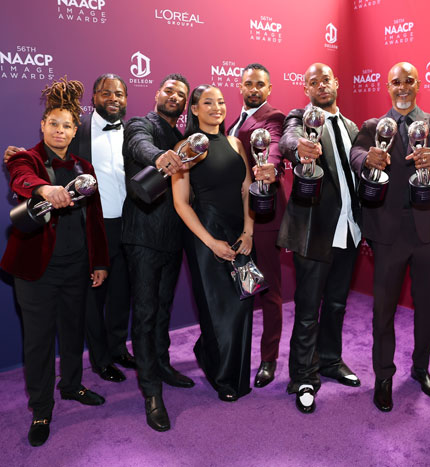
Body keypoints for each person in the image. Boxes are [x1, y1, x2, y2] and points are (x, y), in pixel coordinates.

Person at [5, 73, 134, 384]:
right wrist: (39, 184)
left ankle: (96, 366)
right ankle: (51, 402)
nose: (113, 97)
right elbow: (29, 168)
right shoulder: (50, 145)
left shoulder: (123, 139)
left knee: (98, 312)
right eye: (106, 92)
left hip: (108, 241)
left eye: (119, 93)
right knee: (61, 325)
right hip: (63, 246)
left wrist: (100, 261)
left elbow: (96, 217)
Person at [0, 77, 109, 447]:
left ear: (74, 129)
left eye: (67, 125)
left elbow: (94, 220)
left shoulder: (84, 167)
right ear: (43, 125)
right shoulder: (25, 158)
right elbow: (21, 178)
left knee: (73, 331)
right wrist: (44, 188)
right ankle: (42, 408)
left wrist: (100, 262)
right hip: (36, 272)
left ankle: (73, 386)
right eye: (54, 124)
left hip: (77, 266)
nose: (60, 131)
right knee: (40, 341)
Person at [350, 62, 430, 412]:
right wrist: (370, 159)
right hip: (387, 233)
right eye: (396, 81)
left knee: (426, 305)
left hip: (428, 231)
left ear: (418, 84)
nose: (403, 87)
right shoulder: (371, 126)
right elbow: (356, 153)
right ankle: (383, 376)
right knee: (383, 310)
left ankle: (421, 369)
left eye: (409, 81)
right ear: (387, 85)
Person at [173, 84, 270, 402]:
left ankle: (226, 366)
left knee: (242, 306)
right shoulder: (186, 147)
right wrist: (210, 242)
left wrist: (249, 230)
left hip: (239, 235)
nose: (216, 107)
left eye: (221, 102)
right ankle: (223, 378)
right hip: (205, 238)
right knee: (217, 312)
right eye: (207, 102)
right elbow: (181, 203)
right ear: (195, 110)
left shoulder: (234, 143)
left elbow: (247, 189)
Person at [278, 63, 362, 414]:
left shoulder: (352, 126)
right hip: (313, 231)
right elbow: (287, 139)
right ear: (306, 90)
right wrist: (299, 147)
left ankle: (330, 360)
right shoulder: (300, 118)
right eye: (313, 82)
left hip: (349, 229)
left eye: (325, 79)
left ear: (336, 83)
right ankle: (303, 376)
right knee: (308, 309)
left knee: (338, 304)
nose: (320, 85)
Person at [122, 73, 195, 432]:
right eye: (169, 90)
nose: (174, 96)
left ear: (184, 105)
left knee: (163, 308)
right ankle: (151, 391)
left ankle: (162, 365)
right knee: (146, 313)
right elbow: (139, 145)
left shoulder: (184, 139)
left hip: (173, 237)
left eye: (181, 94)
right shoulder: (140, 124)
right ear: (157, 93)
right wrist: (161, 156)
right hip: (142, 236)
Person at [227, 63, 286, 388]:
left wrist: (271, 168)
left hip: (264, 217)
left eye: (259, 84)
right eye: (248, 83)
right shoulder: (232, 121)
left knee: (270, 292)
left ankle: (268, 359)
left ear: (269, 87)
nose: (253, 88)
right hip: (235, 218)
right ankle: (236, 352)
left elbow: (273, 145)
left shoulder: (272, 117)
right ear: (240, 85)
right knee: (241, 288)